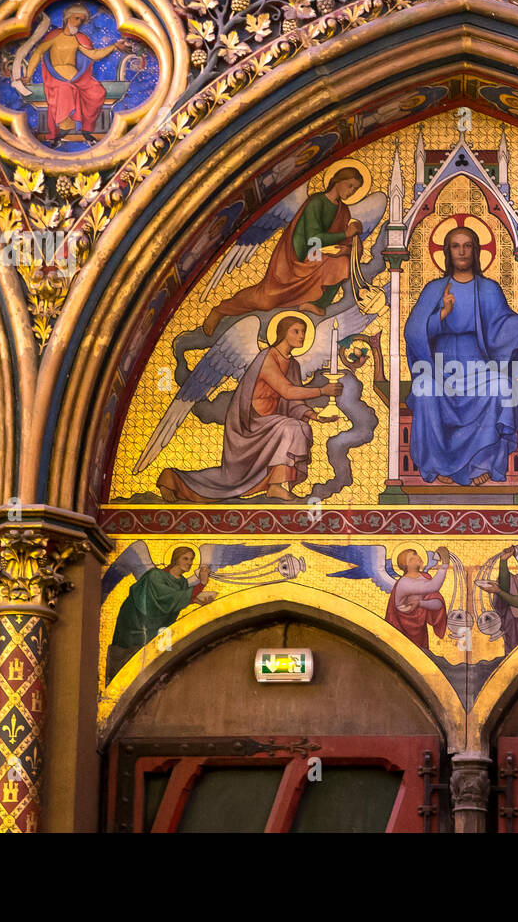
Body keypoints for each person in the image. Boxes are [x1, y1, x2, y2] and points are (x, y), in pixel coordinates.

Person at [405, 225, 518, 486]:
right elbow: (414, 331)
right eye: (455, 246)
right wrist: (442, 315)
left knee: (501, 388)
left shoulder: (489, 289)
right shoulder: (435, 289)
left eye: (467, 245)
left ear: (476, 251)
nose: (462, 251)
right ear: (447, 252)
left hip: (479, 363)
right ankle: (438, 464)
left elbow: (503, 327)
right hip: (440, 364)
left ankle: (480, 463)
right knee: (425, 389)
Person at [156, 315, 340, 502]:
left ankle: (275, 484)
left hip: (271, 423)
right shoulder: (268, 357)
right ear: (283, 333)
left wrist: (315, 416)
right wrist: (321, 390)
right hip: (249, 425)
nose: (302, 336)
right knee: (290, 428)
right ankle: (172, 479)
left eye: (304, 332)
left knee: (301, 426)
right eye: (296, 331)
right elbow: (287, 391)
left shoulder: (292, 364)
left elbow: (292, 404)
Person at [202, 168, 366, 333]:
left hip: (319, 257)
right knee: (265, 300)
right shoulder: (317, 203)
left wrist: (353, 237)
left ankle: (318, 303)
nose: (351, 191)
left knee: (344, 264)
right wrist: (345, 234)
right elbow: (313, 238)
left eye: (355, 189)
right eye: (349, 185)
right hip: (297, 258)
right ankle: (221, 310)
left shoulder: (343, 211)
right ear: (337, 180)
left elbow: (343, 240)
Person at [15, 3, 134, 145]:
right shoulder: (54, 36)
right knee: (66, 91)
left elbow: (93, 55)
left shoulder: (79, 38)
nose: (78, 23)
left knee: (97, 92)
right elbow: (38, 52)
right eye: (76, 18)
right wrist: (28, 76)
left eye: (81, 21)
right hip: (56, 76)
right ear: (67, 18)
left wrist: (114, 46)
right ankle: (63, 131)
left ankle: (85, 129)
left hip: (75, 76)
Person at [106, 546, 212, 680]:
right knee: (131, 665)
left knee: (163, 662)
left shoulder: (182, 583)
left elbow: (172, 602)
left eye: (191, 559)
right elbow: (167, 598)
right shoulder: (155, 575)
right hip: (137, 624)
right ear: (175, 559)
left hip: (160, 625)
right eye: (185, 558)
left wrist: (197, 601)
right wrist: (202, 583)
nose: (189, 563)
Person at [384, 546, 450, 652]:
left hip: (420, 627)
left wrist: (420, 603)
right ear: (406, 565)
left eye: (416, 554)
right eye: (411, 558)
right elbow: (433, 586)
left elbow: (438, 604)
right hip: (403, 627)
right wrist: (445, 564)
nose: (417, 558)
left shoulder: (424, 577)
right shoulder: (404, 583)